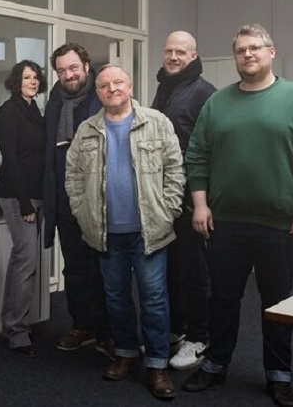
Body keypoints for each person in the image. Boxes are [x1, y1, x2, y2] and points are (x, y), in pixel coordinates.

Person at [182, 24, 293, 407]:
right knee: (222, 299)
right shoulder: (217, 103)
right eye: (240, 50)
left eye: (254, 48)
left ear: (271, 52)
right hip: (226, 223)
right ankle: (215, 364)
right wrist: (200, 204)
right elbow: (197, 155)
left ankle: (279, 375)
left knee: (277, 303)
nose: (247, 55)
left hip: (279, 225)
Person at [65, 64, 184, 399]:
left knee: (154, 300)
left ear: (130, 85)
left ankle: (157, 364)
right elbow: (72, 175)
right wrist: (80, 210)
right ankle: (126, 355)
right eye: (104, 85)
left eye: (118, 82)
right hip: (106, 234)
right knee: (116, 299)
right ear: (98, 91)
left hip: (149, 232)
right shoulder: (87, 129)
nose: (112, 89)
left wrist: (170, 209)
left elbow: (175, 168)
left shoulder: (156, 122)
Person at [42, 43, 113, 359]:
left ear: (86, 65)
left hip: (100, 198)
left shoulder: (103, 95)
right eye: (61, 70)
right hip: (63, 196)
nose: (68, 75)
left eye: (73, 68)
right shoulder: (54, 99)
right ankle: (81, 324)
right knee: (74, 267)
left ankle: (108, 332)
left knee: (105, 269)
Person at [150, 30, 216, 370]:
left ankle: (199, 337)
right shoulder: (165, 88)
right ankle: (178, 329)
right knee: (172, 270)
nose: (173, 57)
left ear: (193, 56)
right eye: (168, 51)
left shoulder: (205, 93)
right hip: (164, 200)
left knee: (195, 272)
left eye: (180, 52)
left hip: (191, 199)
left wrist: (200, 202)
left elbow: (209, 151)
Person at [0, 60, 47, 358]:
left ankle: (18, 321)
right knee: (25, 259)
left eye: (35, 77)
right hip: (18, 197)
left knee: (26, 260)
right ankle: (15, 329)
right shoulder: (9, 111)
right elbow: (10, 160)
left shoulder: (34, 110)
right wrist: (26, 202)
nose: (32, 81)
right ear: (16, 81)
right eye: (26, 77)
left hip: (36, 195)